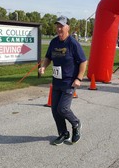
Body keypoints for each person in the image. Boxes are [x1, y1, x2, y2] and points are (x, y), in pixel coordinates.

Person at [38, 15, 87, 145]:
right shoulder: (54, 42)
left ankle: (76, 124)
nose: (59, 29)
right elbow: (48, 57)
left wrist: (79, 78)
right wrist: (43, 67)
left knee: (63, 109)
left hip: (69, 81)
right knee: (55, 110)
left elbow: (83, 61)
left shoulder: (73, 43)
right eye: (57, 26)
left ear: (67, 27)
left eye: (62, 26)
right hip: (57, 81)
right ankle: (63, 134)